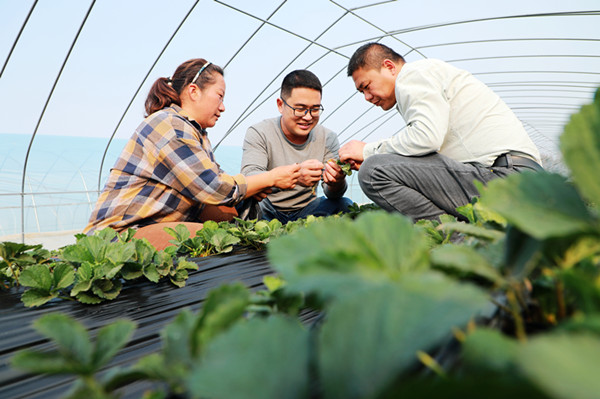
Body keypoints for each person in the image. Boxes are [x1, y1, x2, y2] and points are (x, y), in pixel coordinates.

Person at [83, 58, 300, 248]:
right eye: (220, 96)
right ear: (194, 91)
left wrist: (255, 189)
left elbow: (216, 188)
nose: (223, 107)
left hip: (146, 227)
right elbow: (214, 187)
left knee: (232, 225)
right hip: (118, 235)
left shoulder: (195, 133)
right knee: (216, 239)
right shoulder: (170, 124)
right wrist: (271, 177)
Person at [339, 43, 542, 221]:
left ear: (389, 67)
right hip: (519, 179)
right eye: (361, 92)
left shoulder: (412, 75)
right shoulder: (428, 76)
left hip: (507, 179)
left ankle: (462, 242)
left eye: (367, 86)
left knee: (374, 171)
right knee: (382, 164)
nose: (366, 97)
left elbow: (426, 138)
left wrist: (368, 151)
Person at [241, 70, 353, 223]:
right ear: (280, 105)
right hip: (268, 207)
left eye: (315, 109)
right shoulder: (260, 132)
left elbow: (331, 194)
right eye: (300, 109)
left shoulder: (327, 137)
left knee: (345, 205)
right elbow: (249, 177)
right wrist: (294, 176)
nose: (307, 117)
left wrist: (336, 181)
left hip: (308, 210)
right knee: (246, 204)